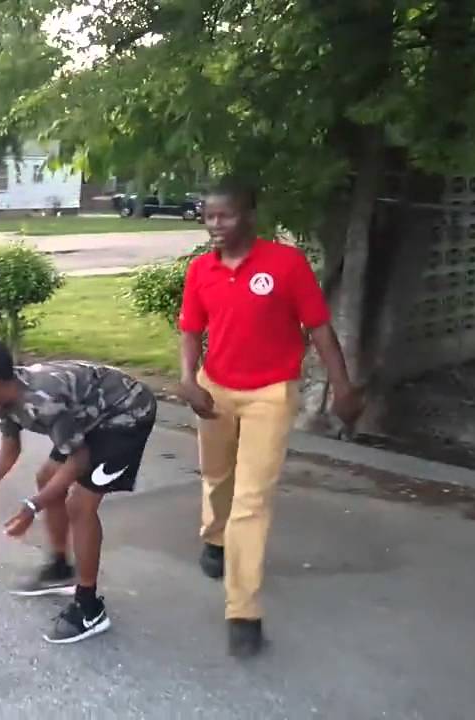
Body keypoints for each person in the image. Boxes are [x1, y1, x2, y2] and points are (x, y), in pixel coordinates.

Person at [177, 178, 363, 658]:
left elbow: (318, 327)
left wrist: (342, 386)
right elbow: (190, 330)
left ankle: (243, 610)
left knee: (251, 500)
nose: (216, 225)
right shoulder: (201, 269)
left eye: (227, 215)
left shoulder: (286, 264)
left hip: (270, 393)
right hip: (215, 387)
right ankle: (213, 539)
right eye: (210, 215)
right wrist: (188, 379)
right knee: (217, 478)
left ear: (250, 215)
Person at [0, 340, 157, 644]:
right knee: (46, 477)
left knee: (80, 504)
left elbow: (79, 460)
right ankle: (61, 567)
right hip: (90, 415)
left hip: (126, 413)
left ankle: (89, 608)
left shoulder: (42, 402)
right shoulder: (3, 399)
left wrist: (32, 508)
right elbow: (11, 447)